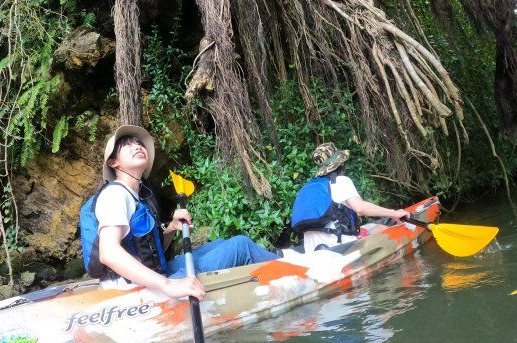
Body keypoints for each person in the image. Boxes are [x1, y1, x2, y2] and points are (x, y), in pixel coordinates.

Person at [82, 125, 279, 301]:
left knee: (220, 244)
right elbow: (109, 253)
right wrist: (168, 285)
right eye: (127, 145)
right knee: (241, 246)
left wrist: (171, 228)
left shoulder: (136, 196)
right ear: (113, 163)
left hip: (148, 277)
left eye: (139, 143)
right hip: (134, 290)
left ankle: (273, 265)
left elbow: (150, 248)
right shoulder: (115, 194)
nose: (137, 146)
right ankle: (289, 270)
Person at [294, 142, 410, 253]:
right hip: (338, 248)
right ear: (341, 163)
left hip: (313, 250)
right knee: (381, 228)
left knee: (368, 228)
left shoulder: (308, 188)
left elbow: (342, 212)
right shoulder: (341, 181)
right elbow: (360, 208)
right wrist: (394, 213)